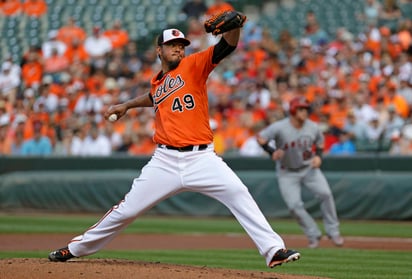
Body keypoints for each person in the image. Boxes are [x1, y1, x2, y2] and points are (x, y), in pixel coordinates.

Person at [48, 19, 301, 268]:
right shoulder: (158, 81)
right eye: (172, 45)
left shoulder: (194, 65)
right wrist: (127, 105)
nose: (178, 48)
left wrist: (234, 26)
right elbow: (153, 96)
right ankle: (75, 248)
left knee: (238, 193)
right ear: (159, 50)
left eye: (181, 44)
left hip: (202, 158)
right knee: (126, 210)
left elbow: (227, 46)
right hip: (165, 161)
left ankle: (273, 250)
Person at [257, 96, 344, 248]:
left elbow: (320, 142)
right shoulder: (279, 127)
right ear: (293, 110)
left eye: (306, 109)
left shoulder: (313, 126)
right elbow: (261, 138)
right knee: (293, 205)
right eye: (301, 109)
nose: (305, 112)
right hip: (287, 172)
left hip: (309, 168)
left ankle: (333, 231)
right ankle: (313, 234)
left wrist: (319, 156)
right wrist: (271, 152)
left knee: (326, 194)